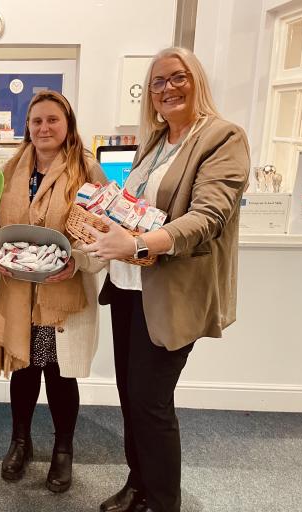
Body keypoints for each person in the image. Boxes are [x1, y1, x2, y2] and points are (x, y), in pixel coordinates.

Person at [82, 48, 250, 512]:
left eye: (177, 78)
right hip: (127, 288)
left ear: (197, 81)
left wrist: (138, 245)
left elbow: (208, 218)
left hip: (168, 292)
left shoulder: (222, 138)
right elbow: (137, 208)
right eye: (158, 82)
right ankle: (138, 484)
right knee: (131, 397)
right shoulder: (156, 141)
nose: (168, 88)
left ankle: (162, 501)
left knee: (152, 403)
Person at [0, 90, 107, 493]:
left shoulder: (88, 171)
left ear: (67, 125)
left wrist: (77, 261)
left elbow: (104, 233)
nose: (44, 128)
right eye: (36, 121)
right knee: (24, 368)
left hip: (62, 292)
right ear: (26, 127)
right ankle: (21, 441)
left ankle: (63, 449)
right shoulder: (9, 169)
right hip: (17, 292)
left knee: (58, 373)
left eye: (53, 120)